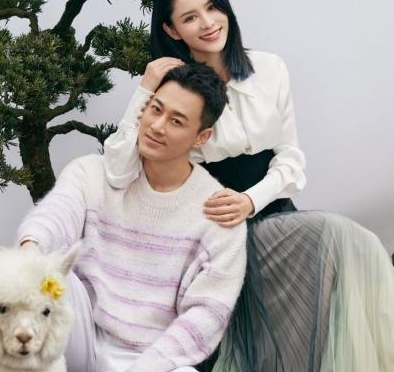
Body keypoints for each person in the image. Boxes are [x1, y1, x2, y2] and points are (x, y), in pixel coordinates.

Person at [103, 0, 394, 371]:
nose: (207, 23)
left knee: (336, 271)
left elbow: (289, 159)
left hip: (276, 218)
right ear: (171, 30)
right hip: (215, 235)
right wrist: (145, 88)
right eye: (190, 18)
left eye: (212, 7)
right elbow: (118, 170)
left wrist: (250, 200)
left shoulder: (269, 68)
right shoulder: (172, 90)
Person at [18, 63, 247, 372]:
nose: (157, 126)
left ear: (201, 137)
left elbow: (206, 315)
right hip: (77, 335)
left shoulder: (220, 213)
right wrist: (30, 249)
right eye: (156, 109)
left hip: (148, 358)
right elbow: (57, 213)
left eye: (176, 121)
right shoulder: (92, 172)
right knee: (48, 269)